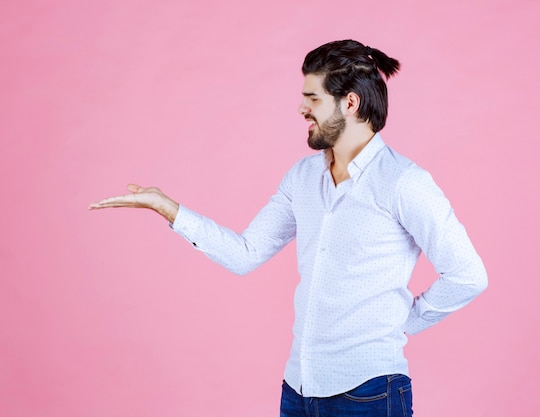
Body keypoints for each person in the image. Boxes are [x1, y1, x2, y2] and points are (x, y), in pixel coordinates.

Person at [89, 39, 488, 417]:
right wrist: (169, 208)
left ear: (350, 103)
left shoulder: (404, 182)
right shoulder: (301, 178)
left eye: (312, 98)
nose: (301, 108)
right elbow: (245, 255)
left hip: (369, 392)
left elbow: (468, 276)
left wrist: (399, 322)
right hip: (298, 390)